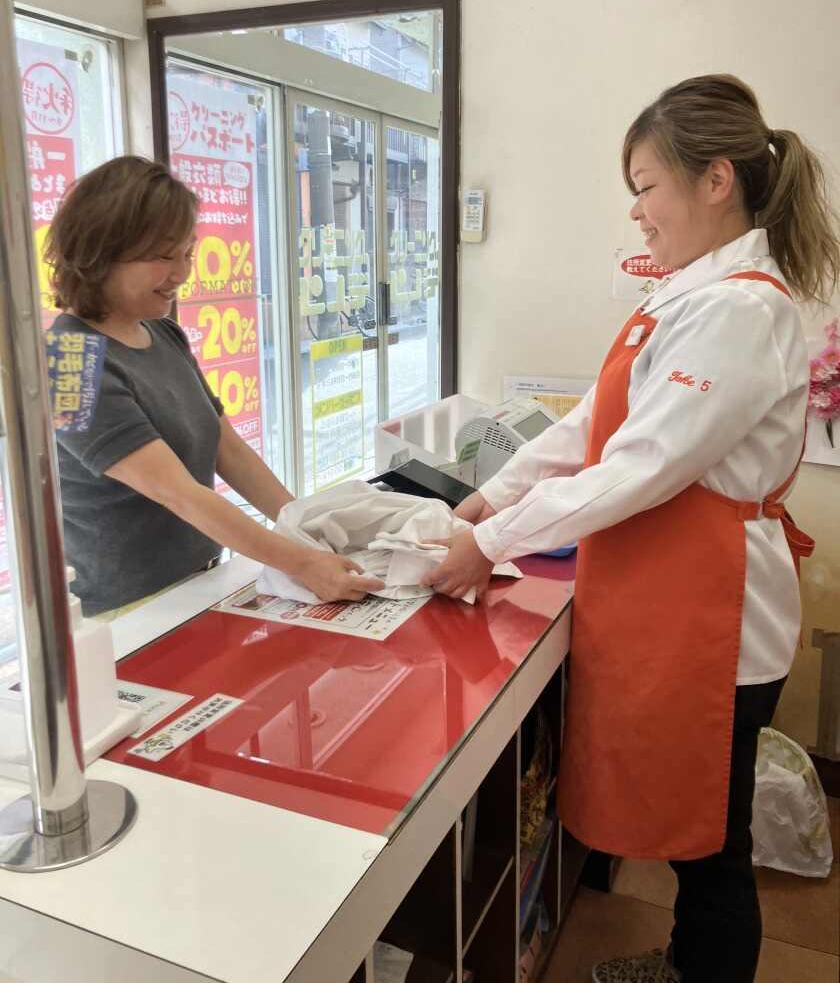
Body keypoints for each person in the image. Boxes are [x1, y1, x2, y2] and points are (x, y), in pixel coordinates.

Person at [426, 75, 840, 983]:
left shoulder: (741, 309)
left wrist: (489, 545)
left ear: (716, 180)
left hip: (714, 617)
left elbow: (641, 467)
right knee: (692, 830)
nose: (639, 211)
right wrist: (492, 497)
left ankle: (704, 971)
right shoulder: (692, 294)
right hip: (671, 599)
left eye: (647, 185)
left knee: (709, 843)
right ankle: (689, 961)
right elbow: (591, 426)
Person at [46, 156, 383, 617]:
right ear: (100, 251)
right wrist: (304, 562)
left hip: (200, 580)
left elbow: (229, 450)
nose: (181, 273)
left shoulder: (162, 332)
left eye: (186, 253)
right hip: (127, 608)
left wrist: (303, 528)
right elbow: (178, 492)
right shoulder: (66, 365)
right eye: (163, 256)